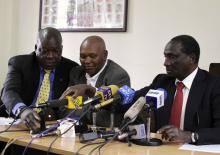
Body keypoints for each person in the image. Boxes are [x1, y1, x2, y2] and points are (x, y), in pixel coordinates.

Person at [61, 35, 220, 145]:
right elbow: (126, 102)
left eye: (172, 57)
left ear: (191, 58)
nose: (165, 62)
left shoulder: (213, 86)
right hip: (162, 149)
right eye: (165, 56)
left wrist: (190, 136)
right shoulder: (162, 81)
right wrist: (93, 92)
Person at [1, 27, 79, 133]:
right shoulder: (20, 63)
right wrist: (22, 110)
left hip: (49, 127)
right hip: (17, 123)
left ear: (61, 49)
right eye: (45, 51)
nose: (50, 56)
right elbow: (8, 91)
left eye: (56, 51)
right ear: (36, 48)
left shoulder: (71, 68)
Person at [61, 35, 130, 127]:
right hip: (77, 132)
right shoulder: (76, 72)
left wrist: (79, 110)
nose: (87, 61)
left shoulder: (118, 76)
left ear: (105, 55)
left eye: (93, 56)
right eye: (83, 56)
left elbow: (110, 118)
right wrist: (86, 112)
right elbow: (65, 110)